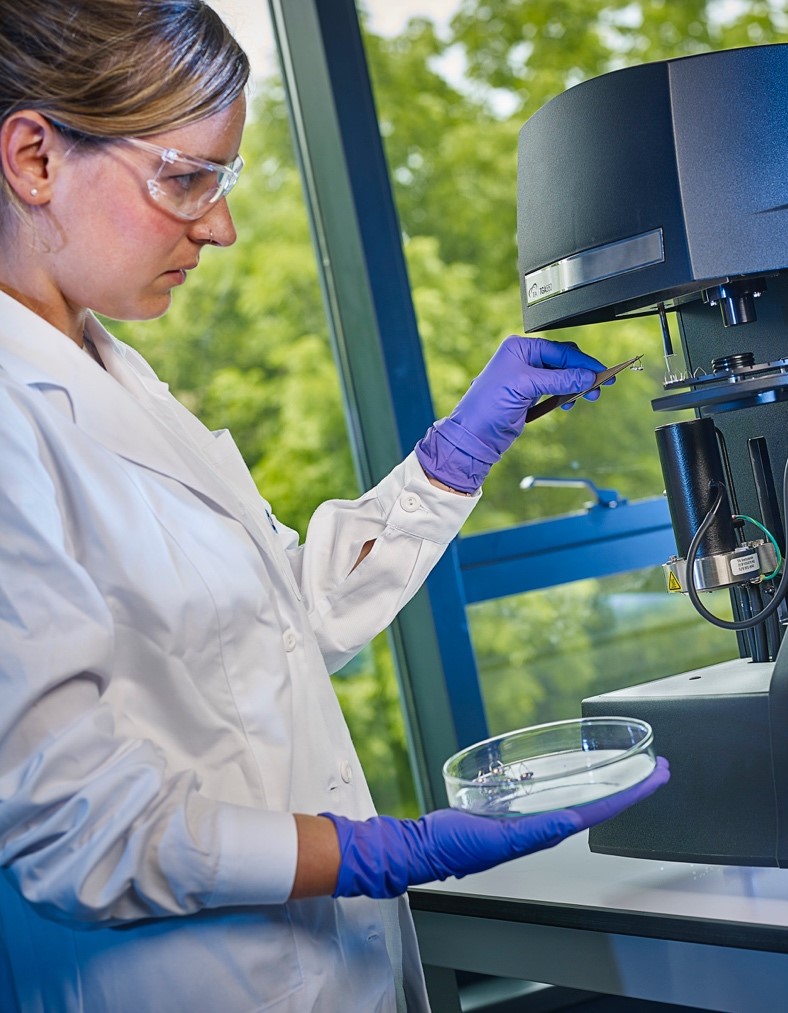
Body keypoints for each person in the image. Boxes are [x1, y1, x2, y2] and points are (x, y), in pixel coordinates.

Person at [0, 2, 668, 1009]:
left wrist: (452, 457)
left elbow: (277, 621)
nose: (219, 226)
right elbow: (79, 834)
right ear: (35, 158)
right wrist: (377, 851)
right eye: (186, 178)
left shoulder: (114, 372)